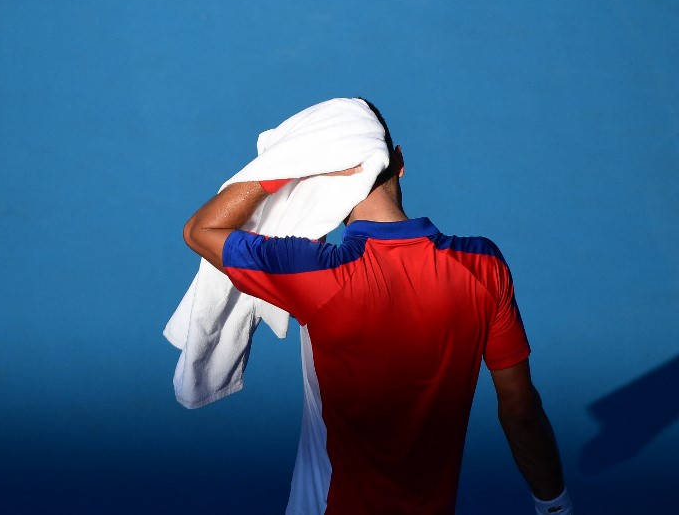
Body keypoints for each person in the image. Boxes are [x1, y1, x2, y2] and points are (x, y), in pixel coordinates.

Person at [182, 101, 572, 514]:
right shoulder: (484, 266)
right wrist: (555, 505)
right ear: (399, 161)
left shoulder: (315, 274)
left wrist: (284, 169)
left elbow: (200, 230)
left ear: (321, 180)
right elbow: (521, 410)